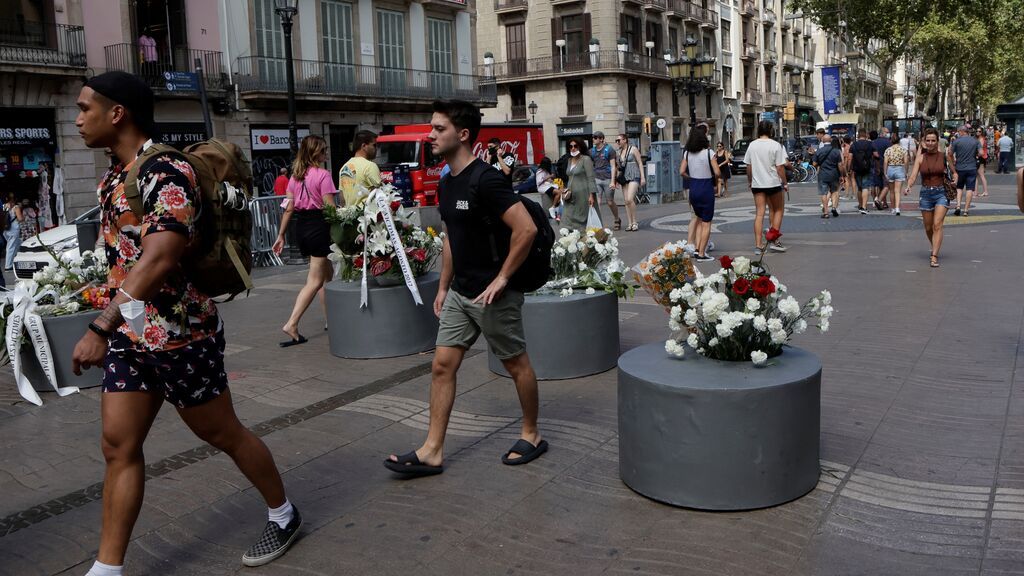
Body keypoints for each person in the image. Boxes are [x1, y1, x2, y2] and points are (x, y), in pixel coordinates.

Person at [69, 71, 299, 576]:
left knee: (222, 434)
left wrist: (98, 326)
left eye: (86, 108)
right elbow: (127, 259)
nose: (78, 118)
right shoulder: (115, 176)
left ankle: (283, 514)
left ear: (117, 113)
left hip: (179, 334)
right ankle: (107, 570)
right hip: (133, 336)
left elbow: (161, 256)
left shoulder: (167, 172)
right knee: (118, 445)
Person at [385, 99, 545, 476]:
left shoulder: (486, 179)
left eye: (438, 129)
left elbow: (526, 229)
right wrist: (443, 287)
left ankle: (532, 433)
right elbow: (450, 238)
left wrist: (503, 279)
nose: (431, 134)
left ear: (463, 134)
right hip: (460, 291)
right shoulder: (446, 181)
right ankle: (432, 450)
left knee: (516, 365)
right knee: (442, 366)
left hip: (494, 294)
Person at [272, 135, 337, 346]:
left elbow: (288, 209)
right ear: (314, 153)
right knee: (315, 280)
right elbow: (330, 208)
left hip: (301, 227)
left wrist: (281, 235)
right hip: (319, 226)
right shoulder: (323, 175)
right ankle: (291, 323)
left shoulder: (295, 177)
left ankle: (332, 320)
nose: (326, 153)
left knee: (327, 275)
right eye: (323, 150)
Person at [905, 127, 951, 268]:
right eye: (928, 140)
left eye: (933, 140)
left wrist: (954, 179)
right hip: (925, 193)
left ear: (938, 141)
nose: (930, 143)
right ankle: (935, 245)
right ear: (924, 142)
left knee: (937, 224)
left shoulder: (944, 156)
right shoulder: (920, 158)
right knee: (928, 227)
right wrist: (909, 186)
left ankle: (934, 255)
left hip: (941, 193)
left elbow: (954, 172)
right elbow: (913, 175)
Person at [744, 120, 789, 253]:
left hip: (757, 184)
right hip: (773, 183)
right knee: (778, 210)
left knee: (759, 214)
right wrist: (785, 182)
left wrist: (750, 181)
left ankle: (758, 245)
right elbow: (780, 167)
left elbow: (748, 166)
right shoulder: (776, 145)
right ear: (771, 130)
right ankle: (773, 239)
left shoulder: (752, 145)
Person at [679, 128, 721, 261]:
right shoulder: (709, 153)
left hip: (694, 188)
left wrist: (691, 177)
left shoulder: (687, 154)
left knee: (698, 218)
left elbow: (681, 171)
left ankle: (697, 248)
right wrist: (714, 178)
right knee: (706, 222)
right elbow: (718, 172)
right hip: (706, 188)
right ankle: (702, 253)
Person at [561, 136, 596, 233]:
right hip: (570, 195)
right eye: (570, 146)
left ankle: (582, 242)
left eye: (575, 146)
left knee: (581, 221)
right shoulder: (569, 160)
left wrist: (591, 195)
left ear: (580, 147)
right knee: (566, 218)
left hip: (583, 195)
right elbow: (569, 177)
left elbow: (590, 178)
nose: (573, 148)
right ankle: (569, 242)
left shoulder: (586, 159)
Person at [338, 130, 381, 207]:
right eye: (374, 145)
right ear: (364, 146)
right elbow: (380, 197)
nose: (376, 148)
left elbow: (342, 200)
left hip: (349, 216)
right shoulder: (370, 166)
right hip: (367, 216)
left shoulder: (344, 167)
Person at [613, 134, 645, 231]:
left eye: (619, 140)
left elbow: (640, 162)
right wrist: (616, 179)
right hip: (624, 177)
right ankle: (630, 223)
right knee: (626, 201)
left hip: (634, 175)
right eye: (616, 140)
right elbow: (618, 167)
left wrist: (642, 177)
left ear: (625, 140)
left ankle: (635, 222)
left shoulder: (633, 149)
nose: (617, 142)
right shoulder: (618, 152)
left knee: (630, 198)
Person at [590, 131, 620, 230]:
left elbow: (613, 166)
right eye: (593, 137)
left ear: (602, 139)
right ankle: (599, 224)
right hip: (597, 178)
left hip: (607, 178)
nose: (594, 139)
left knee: (610, 202)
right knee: (596, 202)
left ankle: (617, 218)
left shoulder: (609, 150)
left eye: (596, 137)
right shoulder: (592, 151)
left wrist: (613, 181)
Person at [948, 125, 979, 216]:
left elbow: (950, 153)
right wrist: (975, 156)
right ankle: (966, 210)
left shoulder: (956, 141)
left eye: (958, 132)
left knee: (959, 187)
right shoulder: (975, 141)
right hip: (972, 167)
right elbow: (981, 153)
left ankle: (958, 206)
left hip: (959, 168)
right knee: (970, 189)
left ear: (961, 131)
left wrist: (953, 162)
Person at [813, 135, 844, 219]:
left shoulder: (819, 151)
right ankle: (834, 207)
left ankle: (826, 212)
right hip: (834, 174)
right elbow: (840, 164)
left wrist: (820, 164)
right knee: (834, 191)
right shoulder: (836, 151)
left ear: (822, 140)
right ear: (830, 140)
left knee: (823, 192)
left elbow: (814, 164)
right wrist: (841, 175)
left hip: (823, 174)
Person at [882, 133, 908, 216]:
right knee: (898, 191)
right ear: (899, 141)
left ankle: (892, 208)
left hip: (890, 169)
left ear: (891, 141)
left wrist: (885, 172)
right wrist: (906, 171)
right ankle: (897, 208)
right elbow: (906, 161)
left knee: (892, 191)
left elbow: (885, 162)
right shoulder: (903, 150)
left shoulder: (888, 150)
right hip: (900, 169)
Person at [850, 130, 874, 214]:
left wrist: (850, 168)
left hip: (857, 169)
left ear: (858, 136)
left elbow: (850, 157)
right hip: (867, 168)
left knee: (859, 188)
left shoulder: (854, 145)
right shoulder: (870, 144)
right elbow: (876, 154)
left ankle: (860, 206)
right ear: (866, 135)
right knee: (865, 187)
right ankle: (864, 207)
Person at [536, 157, 561, 222]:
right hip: (543, 187)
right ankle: (553, 208)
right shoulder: (540, 171)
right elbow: (539, 182)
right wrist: (549, 177)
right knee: (558, 192)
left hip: (548, 186)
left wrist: (550, 179)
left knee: (561, 191)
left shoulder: (546, 170)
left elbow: (547, 179)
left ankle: (555, 208)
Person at [871, 128, 891, 210]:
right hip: (886, 166)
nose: (888, 133)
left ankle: (884, 202)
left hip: (876, 166)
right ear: (883, 133)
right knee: (887, 184)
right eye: (887, 132)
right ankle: (880, 200)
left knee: (879, 185)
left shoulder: (873, 142)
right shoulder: (888, 142)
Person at [4, 193, 23, 270]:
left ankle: (17, 261)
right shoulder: (16, 207)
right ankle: (8, 266)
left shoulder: (4, 206)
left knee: (18, 244)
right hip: (13, 229)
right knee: (11, 247)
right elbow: (20, 219)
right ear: (14, 199)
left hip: (5, 229)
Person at [976, 128, 989, 197]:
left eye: (979, 131)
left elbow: (980, 150)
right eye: (977, 131)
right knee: (978, 175)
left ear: (982, 132)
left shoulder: (981, 139)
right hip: (982, 158)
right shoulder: (982, 139)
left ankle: (984, 191)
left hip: (981, 158)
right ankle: (976, 192)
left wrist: (976, 156)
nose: (978, 132)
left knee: (980, 175)